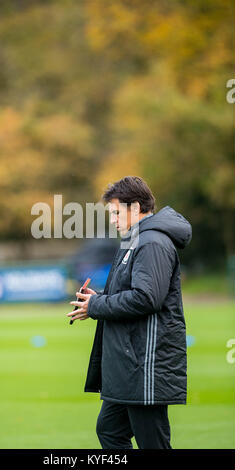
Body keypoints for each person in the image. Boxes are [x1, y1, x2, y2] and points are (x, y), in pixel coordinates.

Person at [67, 176, 192, 449]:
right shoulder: (133, 240)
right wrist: (97, 301)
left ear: (135, 208)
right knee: (110, 431)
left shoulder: (152, 242)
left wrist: (97, 306)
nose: (112, 219)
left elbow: (146, 298)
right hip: (127, 364)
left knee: (152, 443)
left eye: (115, 212)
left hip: (144, 363)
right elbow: (131, 291)